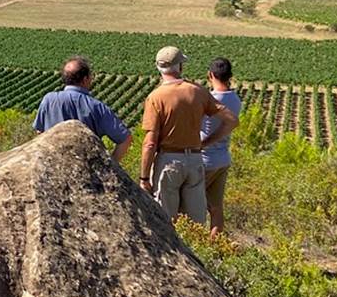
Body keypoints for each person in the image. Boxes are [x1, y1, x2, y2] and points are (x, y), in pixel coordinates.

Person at [140, 46, 237, 224]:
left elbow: (149, 143)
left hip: (168, 161)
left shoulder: (155, 97)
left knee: (167, 221)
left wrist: (144, 177)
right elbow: (231, 120)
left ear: (158, 68)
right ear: (181, 67)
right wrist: (205, 143)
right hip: (194, 160)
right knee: (195, 223)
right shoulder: (197, 91)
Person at [33, 55, 132, 162]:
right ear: (85, 79)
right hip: (85, 169)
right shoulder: (96, 106)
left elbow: (40, 133)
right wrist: (111, 165)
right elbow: (125, 139)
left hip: (52, 165)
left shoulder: (49, 100)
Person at [202, 56, 242, 233]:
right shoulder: (235, 99)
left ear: (210, 75)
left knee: (193, 206)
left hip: (204, 159)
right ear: (230, 76)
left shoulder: (208, 100)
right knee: (216, 208)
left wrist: (204, 143)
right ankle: (216, 245)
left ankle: (196, 247)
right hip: (223, 158)